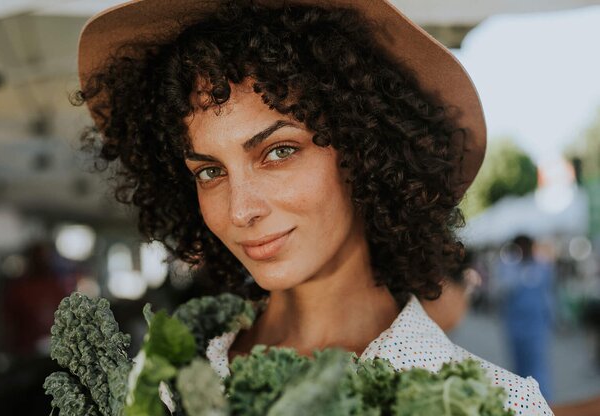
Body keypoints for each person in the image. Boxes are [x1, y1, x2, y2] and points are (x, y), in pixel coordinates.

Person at [75, 0, 551, 414]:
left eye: (278, 151)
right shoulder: (168, 382)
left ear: (366, 150)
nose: (241, 210)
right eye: (209, 171)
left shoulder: (500, 405)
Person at [495, 235, 557, 402]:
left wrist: (553, 320)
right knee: (518, 368)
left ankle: (543, 404)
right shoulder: (509, 268)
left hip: (536, 326)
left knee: (537, 368)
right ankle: (523, 404)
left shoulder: (543, 267)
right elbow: (502, 291)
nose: (524, 250)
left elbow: (549, 296)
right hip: (515, 326)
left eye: (526, 246)